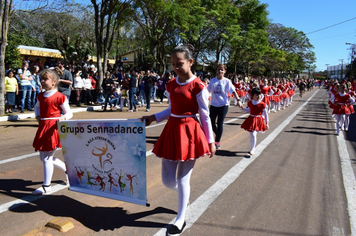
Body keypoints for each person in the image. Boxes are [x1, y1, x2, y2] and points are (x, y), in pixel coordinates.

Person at [141, 44, 216, 235]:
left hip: (190, 132)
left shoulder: (199, 86)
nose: (175, 67)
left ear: (190, 62)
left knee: (183, 178)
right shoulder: (171, 84)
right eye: (173, 64)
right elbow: (171, 109)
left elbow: (205, 115)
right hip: (172, 131)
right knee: (167, 180)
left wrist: (210, 141)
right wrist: (154, 117)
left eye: (179, 63)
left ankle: (180, 218)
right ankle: (185, 196)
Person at [32, 67, 73, 195]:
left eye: (45, 79)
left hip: (53, 128)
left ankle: (46, 186)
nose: (42, 81)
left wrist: (63, 117)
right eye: (41, 79)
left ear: (54, 81)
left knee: (47, 158)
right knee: (44, 157)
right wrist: (38, 116)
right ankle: (68, 171)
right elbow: (37, 108)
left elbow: (69, 112)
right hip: (43, 127)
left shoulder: (60, 97)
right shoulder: (40, 96)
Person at [207, 64, 243, 149]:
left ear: (224, 72)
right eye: (219, 69)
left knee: (220, 123)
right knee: (211, 122)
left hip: (223, 105)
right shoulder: (212, 81)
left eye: (222, 70)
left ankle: (217, 141)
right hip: (213, 105)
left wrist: (238, 100)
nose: (220, 71)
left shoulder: (227, 81)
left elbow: (233, 91)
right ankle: (217, 134)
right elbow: (207, 91)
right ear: (216, 71)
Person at [241, 87, 269, 155]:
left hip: (258, 120)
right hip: (251, 119)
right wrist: (243, 108)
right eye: (256, 95)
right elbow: (249, 110)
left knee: (253, 134)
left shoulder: (262, 104)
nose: (258, 96)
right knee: (251, 134)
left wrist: (267, 123)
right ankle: (252, 147)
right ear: (252, 96)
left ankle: (253, 148)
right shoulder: (250, 102)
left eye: (259, 94)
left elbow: (266, 114)